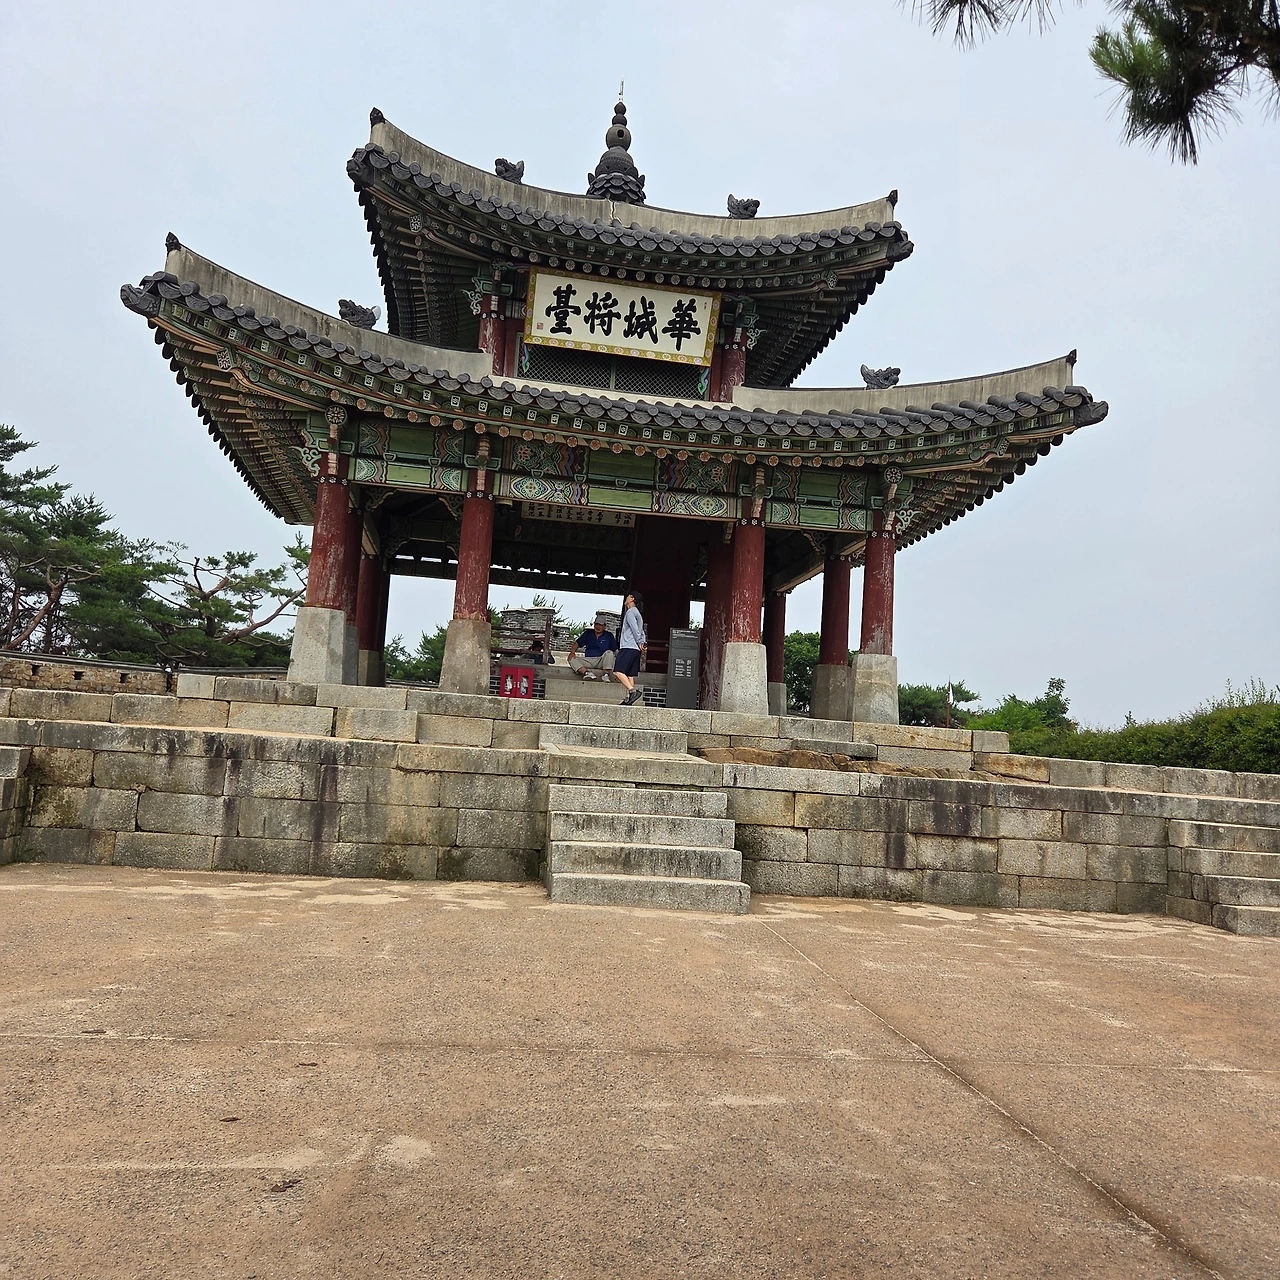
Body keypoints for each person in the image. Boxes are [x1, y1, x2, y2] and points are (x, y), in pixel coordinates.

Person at [612, 591, 646, 707]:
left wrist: (639, 641)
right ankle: (629, 699)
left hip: (628, 646)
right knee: (629, 674)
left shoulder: (631, 612)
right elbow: (641, 631)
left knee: (618, 671)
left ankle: (632, 691)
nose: (625, 599)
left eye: (627, 596)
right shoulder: (638, 613)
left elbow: (635, 629)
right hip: (635, 649)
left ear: (632, 598)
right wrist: (641, 643)